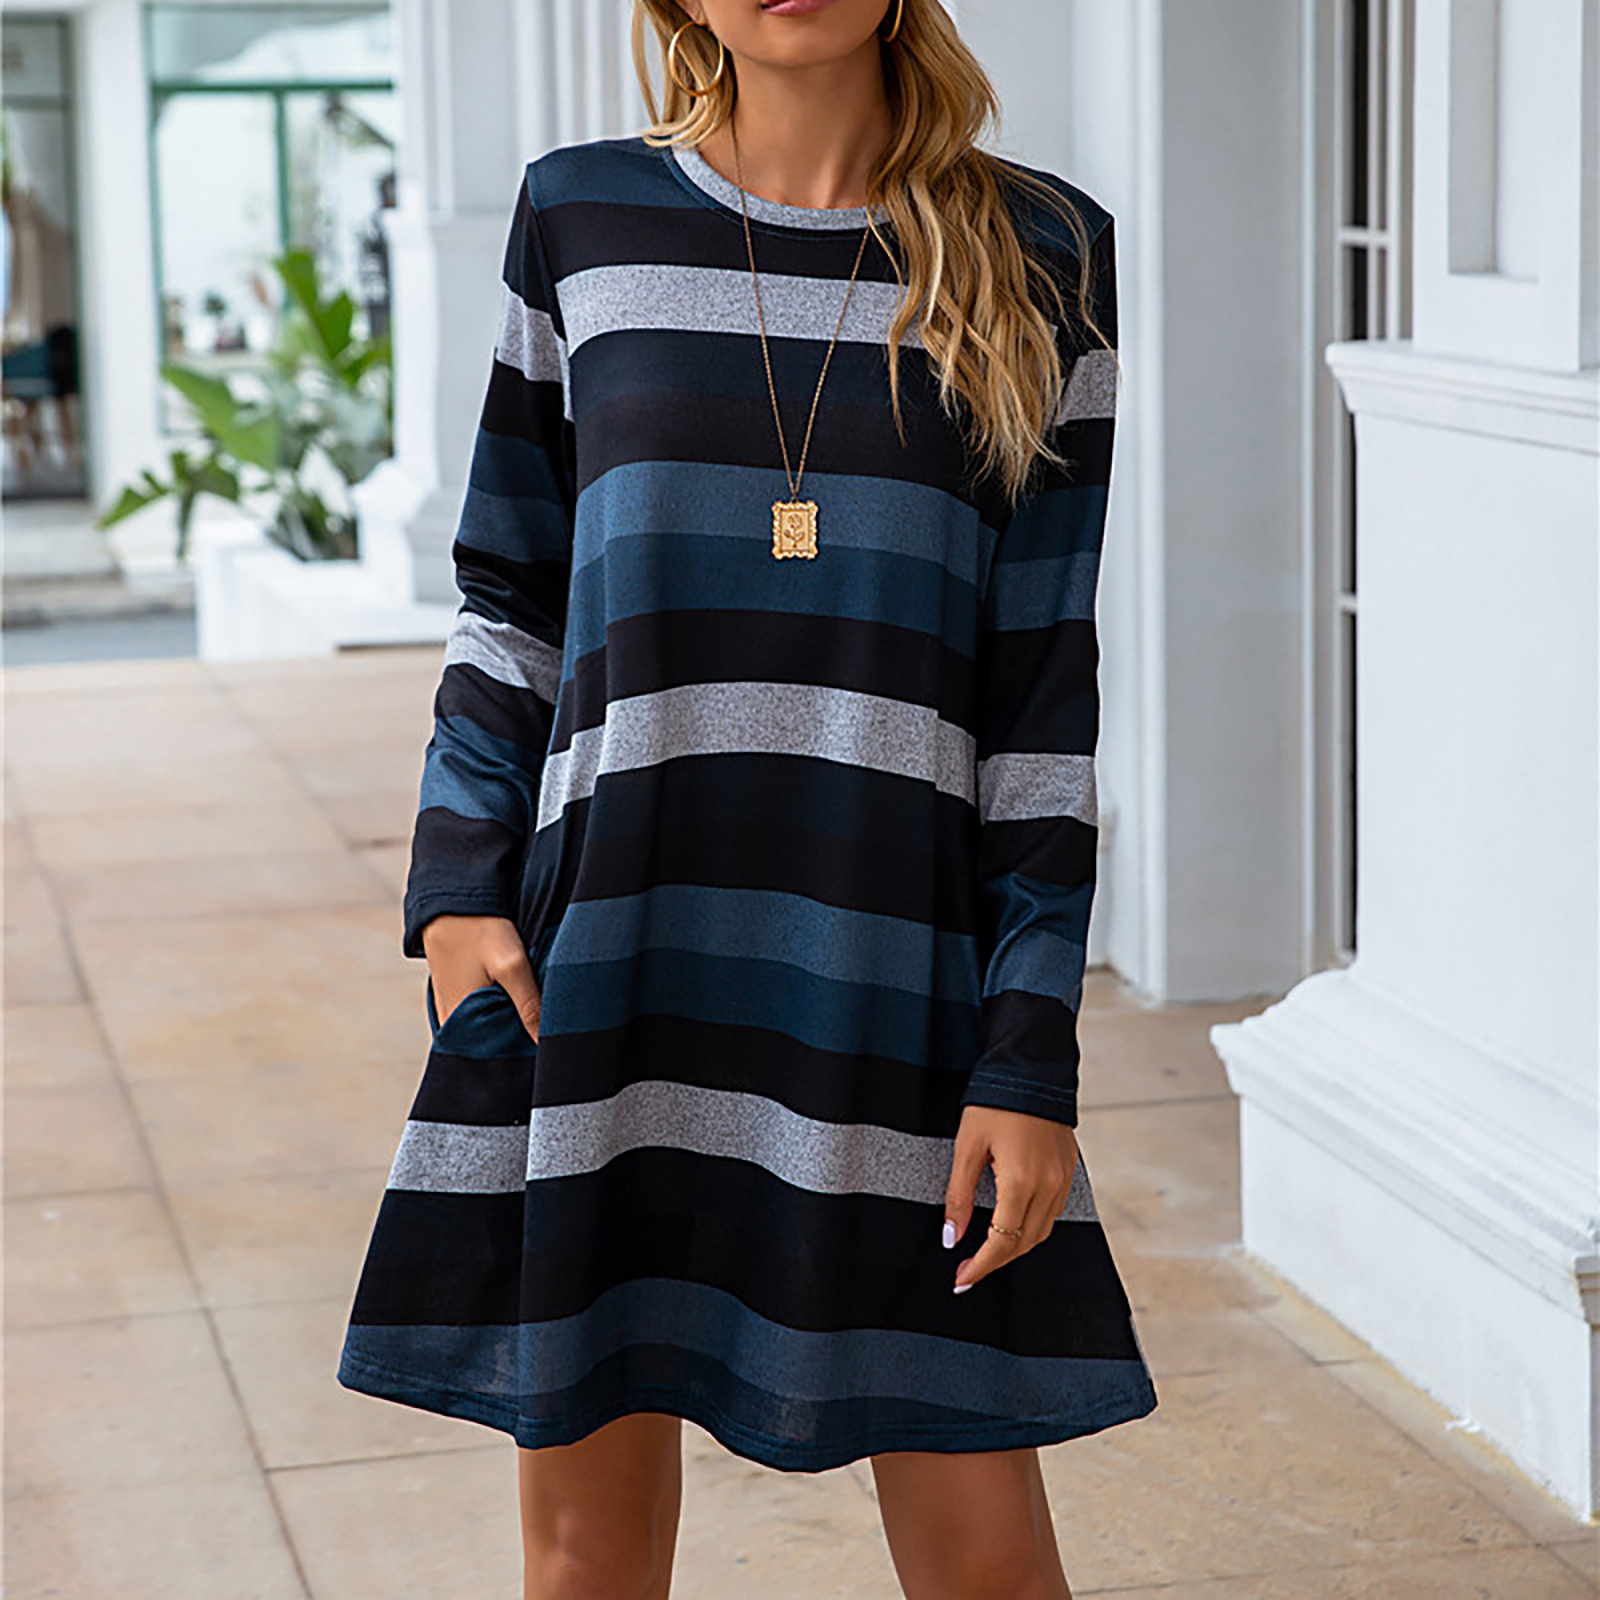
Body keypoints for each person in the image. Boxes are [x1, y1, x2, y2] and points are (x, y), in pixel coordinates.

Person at [337, 2, 1157, 1595]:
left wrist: (1029, 1052)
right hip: (610, 961)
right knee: (588, 1556)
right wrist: (455, 887)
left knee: (988, 1559)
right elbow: (510, 595)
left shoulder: (1045, 252)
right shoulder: (579, 214)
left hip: (887, 969)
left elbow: (1042, 692)